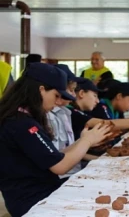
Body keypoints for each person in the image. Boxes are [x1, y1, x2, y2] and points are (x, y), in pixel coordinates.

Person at [0, 62, 112, 217]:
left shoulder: (24, 118)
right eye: (56, 96)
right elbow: (59, 166)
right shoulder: (21, 124)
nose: (59, 102)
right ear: (41, 90)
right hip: (31, 199)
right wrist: (87, 141)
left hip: (42, 189)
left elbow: (54, 155)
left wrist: (84, 140)